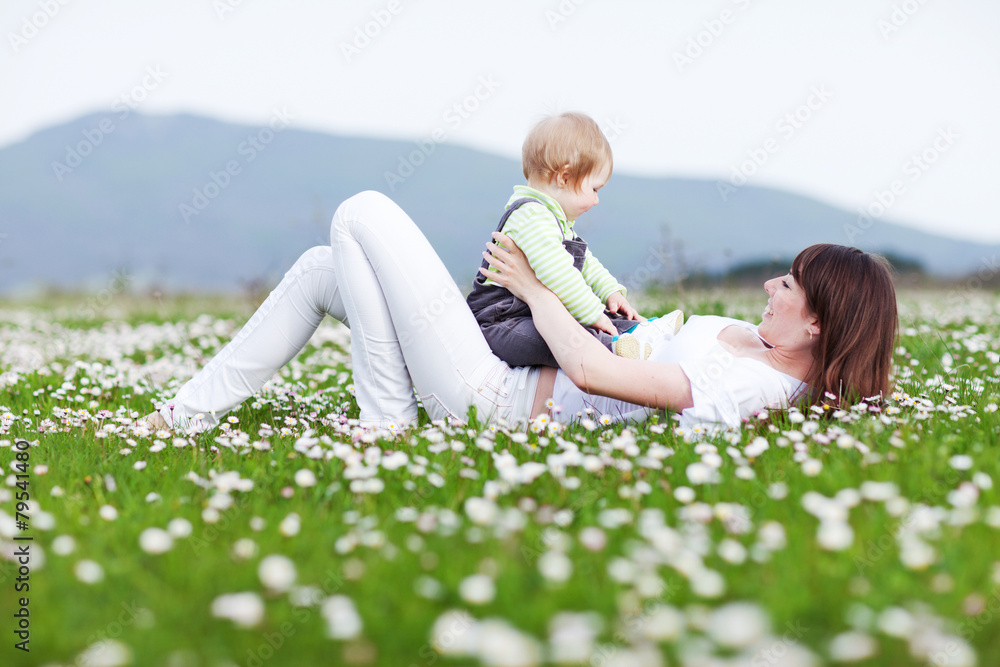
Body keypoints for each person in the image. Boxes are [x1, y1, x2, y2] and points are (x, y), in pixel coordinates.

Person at [142, 191, 897, 434]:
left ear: (820, 323)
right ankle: (181, 416)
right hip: (496, 362)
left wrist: (536, 284)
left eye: (790, 285)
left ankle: (386, 424)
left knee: (362, 210)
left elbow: (594, 368)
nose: (772, 283)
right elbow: (627, 341)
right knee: (321, 268)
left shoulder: (749, 389)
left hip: (493, 395)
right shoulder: (750, 345)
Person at [466, 112, 681, 366]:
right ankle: (616, 347)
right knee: (563, 338)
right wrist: (592, 313)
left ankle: (639, 331)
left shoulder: (555, 219)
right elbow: (559, 274)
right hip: (502, 322)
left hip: (533, 313)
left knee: (589, 317)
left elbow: (587, 263)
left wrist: (610, 291)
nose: (596, 200)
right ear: (564, 178)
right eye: (594, 189)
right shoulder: (531, 216)